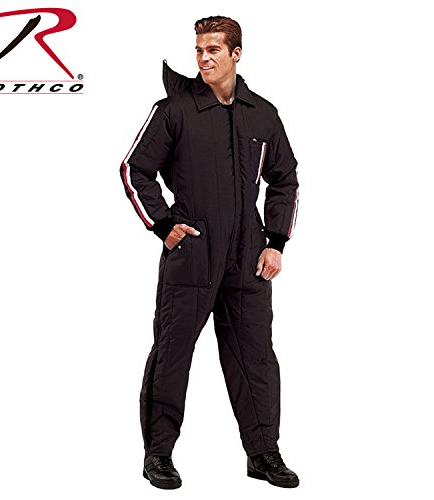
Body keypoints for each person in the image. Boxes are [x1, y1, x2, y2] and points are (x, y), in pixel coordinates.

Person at [120, 15, 300, 489]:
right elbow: (135, 169)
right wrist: (163, 225)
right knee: (173, 352)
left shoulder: (263, 114)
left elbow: (285, 179)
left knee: (255, 356)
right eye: (199, 49)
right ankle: (158, 454)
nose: (203, 58)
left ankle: (263, 453)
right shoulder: (174, 111)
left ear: (236, 54)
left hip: (248, 257)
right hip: (193, 252)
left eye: (213, 49)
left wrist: (275, 242)